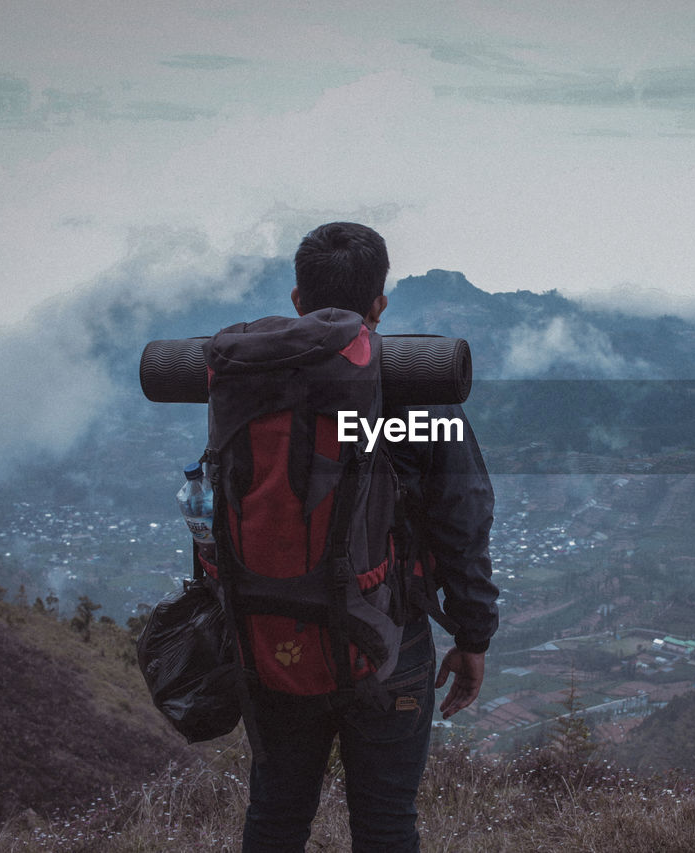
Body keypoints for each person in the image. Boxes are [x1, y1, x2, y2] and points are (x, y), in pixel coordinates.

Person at [240, 222, 499, 853]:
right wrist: (472, 636)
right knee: (384, 824)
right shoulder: (421, 400)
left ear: (298, 300)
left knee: (275, 817)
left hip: (275, 633)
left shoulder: (252, 388)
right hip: (388, 640)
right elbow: (461, 518)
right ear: (380, 304)